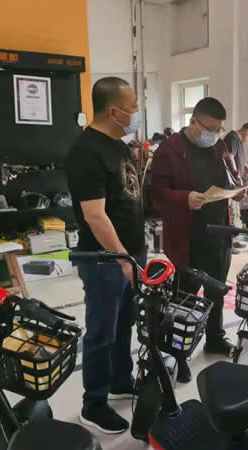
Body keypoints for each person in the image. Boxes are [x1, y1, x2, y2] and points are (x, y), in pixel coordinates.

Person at [66, 77, 146, 434]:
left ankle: (119, 380)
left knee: (125, 321)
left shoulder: (119, 146)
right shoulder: (86, 151)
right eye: (132, 107)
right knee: (101, 331)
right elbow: (95, 216)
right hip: (104, 259)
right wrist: (123, 259)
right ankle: (93, 404)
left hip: (130, 253)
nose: (136, 113)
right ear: (114, 112)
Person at [149, 97, 240, 383]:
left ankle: (215, 338)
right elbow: (155, 193)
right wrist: (184, 198)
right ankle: (178, 352)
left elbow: (230, 177)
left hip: (218, 233)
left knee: (215, 291)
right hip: (187, 236)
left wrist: (238, 189)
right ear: (193, 122)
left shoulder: (219, 147)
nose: (214, 134)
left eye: (219, 129)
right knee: (184, 298)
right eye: (210, 129)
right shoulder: (169, 150)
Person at [223, 122, 248, 252]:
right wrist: (237, 178)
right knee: (231, 213)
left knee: (235, 213)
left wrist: (244, 166)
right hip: (231, 184)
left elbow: (235, 159)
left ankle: (233, 239)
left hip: (235, 184)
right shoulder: (232, 138)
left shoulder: (237, 140)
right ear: (247, 131)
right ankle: (229, 243)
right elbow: (229, 158)